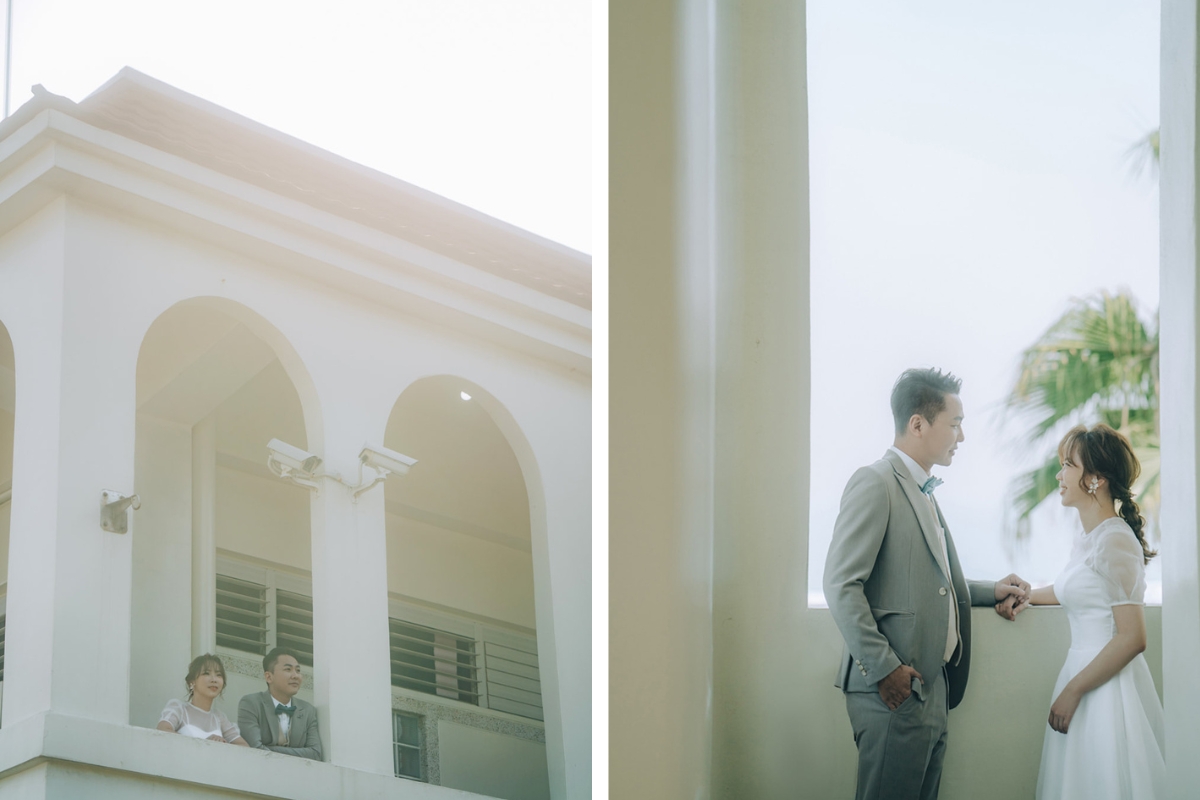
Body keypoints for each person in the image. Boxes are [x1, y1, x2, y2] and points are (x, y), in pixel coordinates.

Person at [823, 367, 1030, 800]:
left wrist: (991, 590)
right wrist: (886, 671)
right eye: (955, 424)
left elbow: (931, 581)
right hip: (893, 691)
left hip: (931, 690)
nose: (962, 436)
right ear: (918, 424)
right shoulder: (875, 482)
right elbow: (841, 584)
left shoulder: (925, 490)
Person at [1020, 423, 1165, 799]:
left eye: (1068, 465)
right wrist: (1025, 595)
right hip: (1082, 677)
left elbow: (1133, 637)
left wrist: (1074, 689)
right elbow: (1077, 591)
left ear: (1095, 479)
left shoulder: (1116, 539)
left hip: (1103, 688)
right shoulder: (1090, 537)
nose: (1059, 474)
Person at [238, 646, 323, 761]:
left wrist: (268, 748)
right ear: (269, 677)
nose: (295, 676)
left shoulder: (308, 710)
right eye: (288, 670)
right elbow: (254, 750)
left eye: (298, 670)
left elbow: (315, 753)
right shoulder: (251, 703)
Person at [156, 653, 249, 746]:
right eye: (206, 673)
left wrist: (223, 745)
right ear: (192, 682)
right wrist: (204, 743)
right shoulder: (179, 708)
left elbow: (243, 746)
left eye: (218, 675)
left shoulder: (219, 717)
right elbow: (163, 730)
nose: (214, 680)